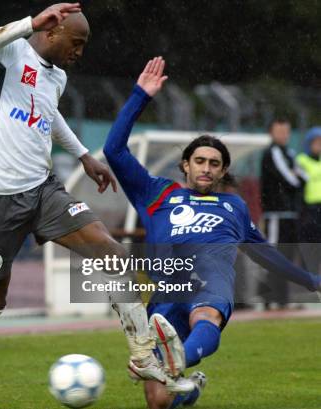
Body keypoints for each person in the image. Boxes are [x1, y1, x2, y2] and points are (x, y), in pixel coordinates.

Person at [0, 4, 190, 409]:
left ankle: (142, 354)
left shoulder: (56, 76)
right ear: (51, 32)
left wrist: (83, 154)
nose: (79, 53)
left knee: (114, 255)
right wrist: (29, 22)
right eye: (76, 43)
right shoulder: (8, 52)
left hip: (42, 191)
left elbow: (48, 113)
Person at [103, 57, 321, 409]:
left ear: (222, 172)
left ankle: (176, 362)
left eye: (215, 163)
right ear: (186, 165)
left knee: (204, 315)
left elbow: (264, 252)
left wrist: (310, 279)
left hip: (211, 286)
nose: (206, 168)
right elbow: (114, 150)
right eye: (200, 161)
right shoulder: (156, 192)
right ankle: (187, 389)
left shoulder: (233, 207)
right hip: (166, 297)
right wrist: (140, 96)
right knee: (158, 402)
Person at [259, 118, 304, 309]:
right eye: (279, 131)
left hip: (290, 213)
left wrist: (297, 177)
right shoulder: (273, 152)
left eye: (286, 131)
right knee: (275, 255)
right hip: (276, 213)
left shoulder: (290, 152)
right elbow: (292, 180)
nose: (283, 135)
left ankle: (283, 299)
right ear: (271, 132)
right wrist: (295, 178)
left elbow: (302, 176)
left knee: (287, 256)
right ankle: (269, 298)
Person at [297, 127, 321, 274]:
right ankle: (307, 268)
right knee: (309, 239)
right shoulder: (302, 160)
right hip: (308, 207)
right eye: (316, 142)